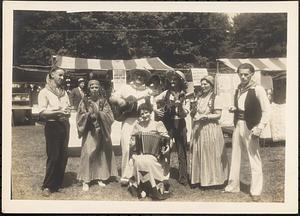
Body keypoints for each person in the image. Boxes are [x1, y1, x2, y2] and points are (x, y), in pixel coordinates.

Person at [224, 63, 271, 202]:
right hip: (238, 124)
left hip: (251, 126)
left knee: (253, 157)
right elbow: (242, 106)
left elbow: (267, 110)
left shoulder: (258, 89)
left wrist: (260, 127)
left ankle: (256, 190)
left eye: (246, 74)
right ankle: (233, 186)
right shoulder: (239, 88)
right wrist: (235, 108)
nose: (243, 77)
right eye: (241, 74)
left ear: (252, 74)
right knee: (235, 155)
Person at [109, 69, 152, 185]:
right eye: (137, 74)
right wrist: (119, 100)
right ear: (133, 76)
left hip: (143, 121)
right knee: (127, 148)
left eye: (142, 75)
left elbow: (153, 107)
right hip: (128, 121)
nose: (140, 77)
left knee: (142, 149)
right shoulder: (125, 88)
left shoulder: (148, 91)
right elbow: (111, 98)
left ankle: (141, 175)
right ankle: (125, 176)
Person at [76, 80, 118, 191]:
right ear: (88, 89)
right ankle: (86, 180)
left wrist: (100, 113)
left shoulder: (103, 101)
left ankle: (100, 177)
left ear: (99, 88)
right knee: (88, 152)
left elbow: (110, 116)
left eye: (96, 87)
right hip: (90, 131)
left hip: (102, 131)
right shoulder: (84, 101)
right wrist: (87, 115)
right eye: (92, 87)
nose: (94, 89)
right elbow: (79, 116)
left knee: (101, 154)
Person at [127, 103, 172, 200]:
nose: (144, 115)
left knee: (149, 161)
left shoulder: (158, 124)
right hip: (141, 152)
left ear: (151, 113)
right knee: (139, 161)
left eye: (146, 113)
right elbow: (132, 141)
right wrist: (133, 143)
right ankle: (141, 187)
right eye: (142, 114)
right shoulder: (137, 126)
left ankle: (154, 187)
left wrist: (165, 147)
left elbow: (166, 138)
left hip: (156, 154)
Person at [38, 67, 71, 197]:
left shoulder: (63, 92)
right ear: (52, 75)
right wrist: (58, 112)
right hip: (52, 126)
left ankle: (57, 184)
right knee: (53, 156)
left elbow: (67, 106)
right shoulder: (44, 92)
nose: (62, 78)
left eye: (63, 76)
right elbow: (42, 112)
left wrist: (67, 111)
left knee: (63, 156)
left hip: (64, 124)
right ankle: (47, 186)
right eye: (60, 75)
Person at [190, 75, 228, 188]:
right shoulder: (200, 97)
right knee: (201, 152)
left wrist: (205, 117)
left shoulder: (216, 98)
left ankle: (214, 180)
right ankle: (201, 178)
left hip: (211, 128)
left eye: (206, 84)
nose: (203, 86)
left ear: (211, 85)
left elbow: (218, 114)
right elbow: (196, 111)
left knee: (212, 153)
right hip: (200, 129)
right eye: (202, 84)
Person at [154, 70, 189, 185]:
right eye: (171, 79)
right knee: (165, 149)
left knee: (181, 151)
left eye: (175, 79)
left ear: (180, 81)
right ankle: (163, 174)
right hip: (168, 124)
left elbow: (184, 114)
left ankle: (183, 177)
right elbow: (154, 99)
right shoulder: (166, 93)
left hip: (180, 123)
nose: (173, 81)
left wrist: (180, 107)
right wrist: (156, 110)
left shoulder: (185, 95)